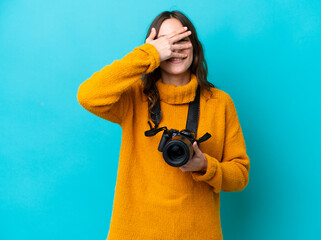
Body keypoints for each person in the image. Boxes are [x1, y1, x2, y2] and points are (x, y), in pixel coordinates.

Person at [77, 10, 250, 240]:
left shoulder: (219, 103)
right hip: (134, 233)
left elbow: (240, 176)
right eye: (167, 41)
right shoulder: (134, 99)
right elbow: (88, 95)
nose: (175, 48)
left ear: (195, 47)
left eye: (182, 40)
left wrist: (204, 165)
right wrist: (149, 54)